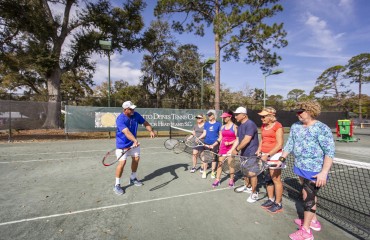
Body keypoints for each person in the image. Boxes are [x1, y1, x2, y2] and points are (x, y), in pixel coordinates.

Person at [277, 101, 335, 240]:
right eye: (297, 112)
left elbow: (330, 151)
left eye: (300, 111)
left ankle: (306, 231)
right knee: (306, 193)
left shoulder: (322, 128)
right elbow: (290, 143)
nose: (298, 114)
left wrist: (324, 172)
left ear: (310, 111)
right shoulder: (295, 126)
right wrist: (282, 159)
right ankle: (313, 221)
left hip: (314, 170)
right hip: (299, 166)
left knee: (308, 199)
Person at [113, 101, 156, 195]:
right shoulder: (120, 119)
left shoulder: (136, 115)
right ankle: (117, 184)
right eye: (131, 109)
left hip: (133, 144)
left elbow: (145, 123)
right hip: (122, 145)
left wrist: (151, 130)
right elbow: (126, 132)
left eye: (133, 108)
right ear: (125, 109)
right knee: (122, 163)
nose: (133, 110)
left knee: (136, 159)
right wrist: (135, 140)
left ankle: (133, 178)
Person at [256, 107, 284, 213]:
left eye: (264, 116)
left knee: (276, 179)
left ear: (271, 116)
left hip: (275, 155)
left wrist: (268, 155)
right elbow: (262, 139)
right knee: (267, 178)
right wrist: (259, 150)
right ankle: (271, 199)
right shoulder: (263, 126)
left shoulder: (278, 126)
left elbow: (280, 144)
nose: (262, 118)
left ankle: (278, 203)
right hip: (264, 155)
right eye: (261, 116)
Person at [230, 106, 260, 203]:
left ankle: (254, 193)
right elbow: (238, 139)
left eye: (237, 114)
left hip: (251, 152)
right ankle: (247, 186)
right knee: (245, 171)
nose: (236, 116)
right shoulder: (240, 126)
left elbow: (247, 139)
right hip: (244, 152)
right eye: (235, 114)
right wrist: (234, 149)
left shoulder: (250, 124)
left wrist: (237, 149)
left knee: (252, 173)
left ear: (244, 115)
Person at [211, 110, 238, 188]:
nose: (224, 118)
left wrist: (229, 143)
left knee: (231, 165)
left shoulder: (235, 127)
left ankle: (231, 180)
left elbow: (237, 139)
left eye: (225, 117)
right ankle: (217, 179)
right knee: (220, 164)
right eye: (223, 117)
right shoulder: (222, 127)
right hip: (222, 148)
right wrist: (213, 145)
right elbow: (220, 138)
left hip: (231, 149)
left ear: (230, 117)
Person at [198, 109, 222, 179]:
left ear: (214, 115)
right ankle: (205, 171)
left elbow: (220, 136)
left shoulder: (218, 124)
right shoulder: (206, 124)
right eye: (208, 115)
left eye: (210, 115)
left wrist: (214, 144)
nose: (209, 116)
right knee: (206, 158)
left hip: (215, 144)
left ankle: (213, 172)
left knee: (213, 158)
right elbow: (204, 133)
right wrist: (199, 138)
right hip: (206, 143)